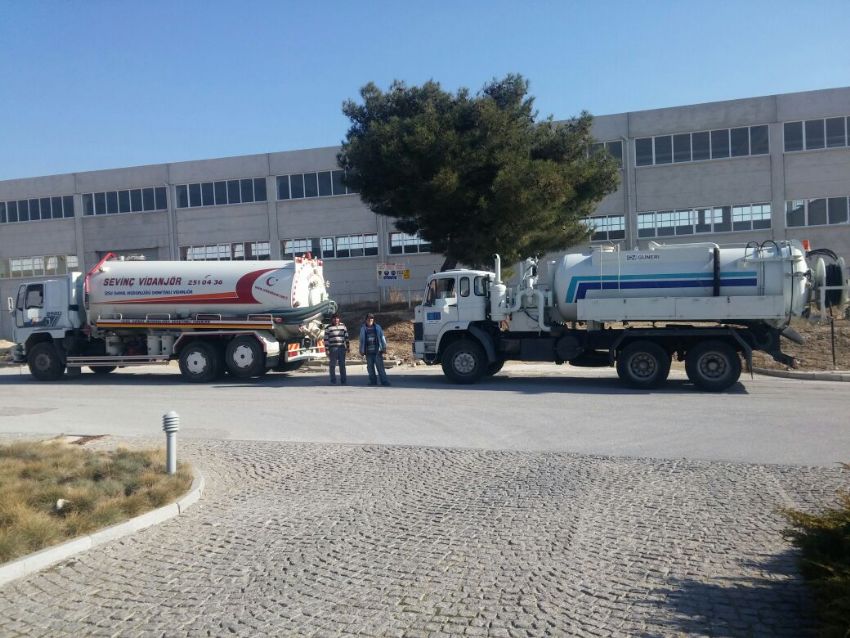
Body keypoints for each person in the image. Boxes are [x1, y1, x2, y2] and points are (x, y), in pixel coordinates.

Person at [359, 313, 390, 386]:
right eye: (369, 318)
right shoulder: (363, 328)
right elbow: (361, 340)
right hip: (368, 352)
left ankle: (384, 381)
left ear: (373, 320)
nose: (370, 320)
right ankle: (373, 381)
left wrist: (384, 347)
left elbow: (382, 337)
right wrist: (361, 350)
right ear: (366, 320)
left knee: (380, 367)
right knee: (370, 368)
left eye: (372, 318)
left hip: (377, 351)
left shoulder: (378, 327)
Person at [324, 313, 349, 384]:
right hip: (332, 348)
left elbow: (346, 337)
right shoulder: (328, 327)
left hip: (341, 348)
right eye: (334, 318)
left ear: (339, 319)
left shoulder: (343, 326)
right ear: (332, 319)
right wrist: (327, 349)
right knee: (332, 365)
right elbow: (326, 339)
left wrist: (348, 346)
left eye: (337, 318)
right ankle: (333, 380)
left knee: (342, 365)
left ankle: (343, 381)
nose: (336, 320)